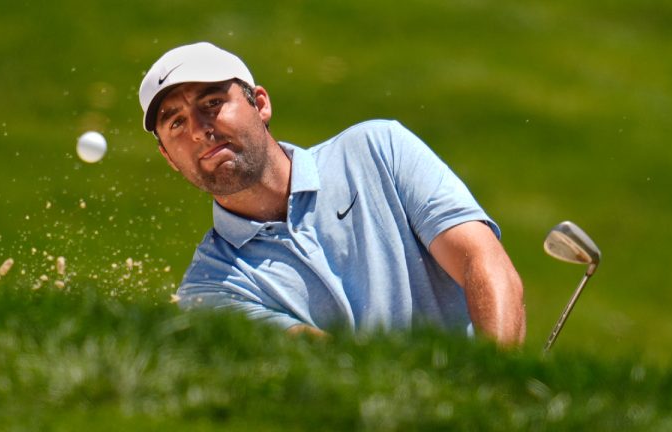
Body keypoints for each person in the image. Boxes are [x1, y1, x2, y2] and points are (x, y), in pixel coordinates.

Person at [138, 42, 526, 346]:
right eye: (175, 122)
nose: (199, 129)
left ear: (260, 103)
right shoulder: (210, 289)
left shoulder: (378, 148)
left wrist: (494, 382)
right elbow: (332, 364)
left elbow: (481, 259)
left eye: (212, 103)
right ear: (169, 158)